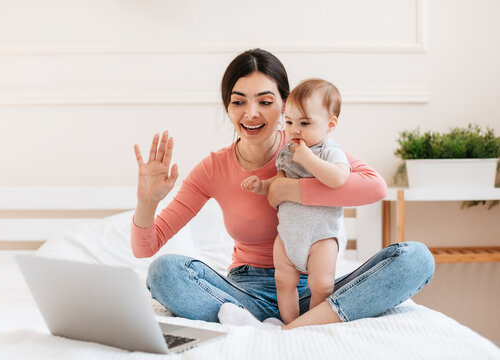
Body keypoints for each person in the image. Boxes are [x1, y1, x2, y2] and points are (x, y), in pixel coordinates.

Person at [131, 48, 435, 330]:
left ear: (285, 104)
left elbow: (374, 188)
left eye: (265, 101)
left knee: (416, 259)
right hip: (243, 293)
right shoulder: (213, 168)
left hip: (316, 289)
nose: (251, 113)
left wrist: (289, 190)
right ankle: (280, 321)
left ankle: (303, 324)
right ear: (228, 106)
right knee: (164, 272)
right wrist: (147, 201)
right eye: (238, 102)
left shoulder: (309, 150)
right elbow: (145, 247)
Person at [241, 78, 350, 325]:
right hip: (288, 236)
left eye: (305, 123)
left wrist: (309, 160)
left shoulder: (329, 152)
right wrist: (262, 186)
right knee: (283, 281)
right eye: (289, 122)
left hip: (320, 238)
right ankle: (290, 323)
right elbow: (278, 186)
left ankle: (311, 323)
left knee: (322, 284)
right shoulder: (286, 154)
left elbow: (339, 178)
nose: (294, 130)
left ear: (330, 124)